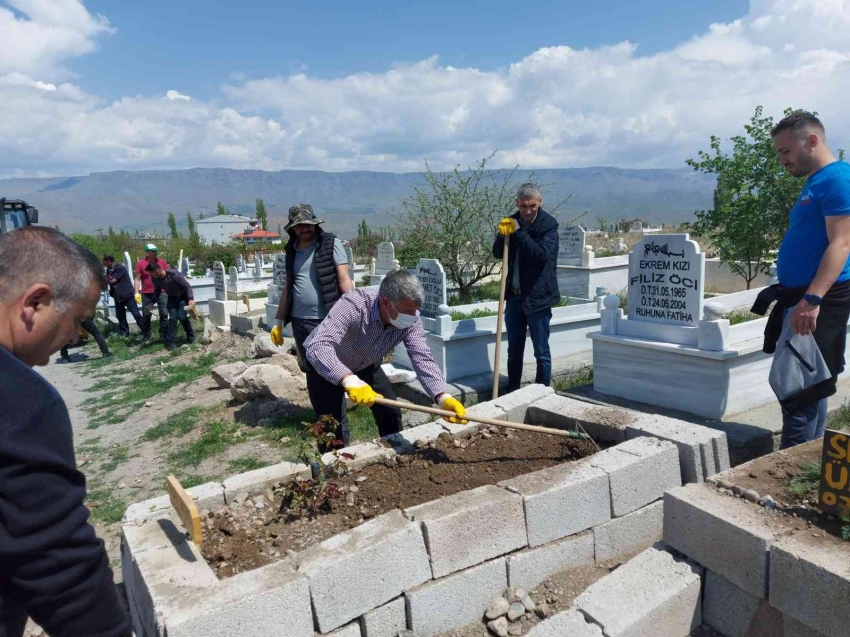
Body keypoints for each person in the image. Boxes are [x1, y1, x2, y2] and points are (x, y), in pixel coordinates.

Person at [0, 227, 131, 636]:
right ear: (35, 302)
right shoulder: (21, 402)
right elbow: (59, 566)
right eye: (78, 320)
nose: (75, 336)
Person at [755, 112, 850, 448]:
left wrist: (812, 300)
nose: (782, 160)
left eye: (785, 151)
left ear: (812, 140)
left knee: (798, 392)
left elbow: (843, 241)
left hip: (817, 300)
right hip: (802, 297)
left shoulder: (837, 179)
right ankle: (807, 465)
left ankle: (785, 477)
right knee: (812, 386)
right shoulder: (816, 181)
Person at [304, 270, 466, 447]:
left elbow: (422, 357)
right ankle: (330, 468)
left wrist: (442, 396)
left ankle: (395, 452)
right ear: (386, 302)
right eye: (407, 311)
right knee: (331, 426)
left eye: (416, 310)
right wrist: (349, 379)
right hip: (326, 365)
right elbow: (319, 346)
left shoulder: (411, 319)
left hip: (366, 364)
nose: (413, 316)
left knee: (390, 411)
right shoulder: (354, 304)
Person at [270, 204, 354, 420]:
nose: (304, 229)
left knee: (330, 368)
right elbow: (288, 286)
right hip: (300, 322)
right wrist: (279, 320)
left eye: (307, 225)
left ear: (314, 224)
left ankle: (337, 421)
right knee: (312, 371)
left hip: (328, 319)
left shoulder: (331, 244)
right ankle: (321, 417)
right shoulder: (291, 249)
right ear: (292, 229)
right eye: (299, 226)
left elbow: (344, 280)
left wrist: (355, 314)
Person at [492, 183, 560, 393]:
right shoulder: (512, 222)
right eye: (523, 206)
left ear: (539, 203)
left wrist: (519, 232)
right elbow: (497, 253)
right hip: (514, 297)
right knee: (514, 348)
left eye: (532, 205)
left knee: (541, 350)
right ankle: (512, 391)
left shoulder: (549, 226)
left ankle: (542, 392)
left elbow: (539, 255)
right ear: (517, 203)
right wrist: (503, 235)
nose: (527, 211)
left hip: (538, 298)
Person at [147, 261, 196, 351]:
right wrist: (151, 303)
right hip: (171, 298)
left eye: (151, 273)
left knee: (182, 317)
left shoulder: (174, 275)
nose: (151, 276)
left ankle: (191, 336)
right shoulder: (155, 279)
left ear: (157, 271)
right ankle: (170, 342)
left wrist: (190, 298)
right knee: (173, 319)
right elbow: (157, 291)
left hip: (183, 298)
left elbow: (187, 286)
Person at [134, 243, 169, 343]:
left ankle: (163, 334)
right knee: (146, 314)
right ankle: (147, 335)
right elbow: (137, 279)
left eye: (156, 251)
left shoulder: (161, 262)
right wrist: (136, 293)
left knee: (164, 313)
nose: (155, 253)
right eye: (153, 251)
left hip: (162, 292)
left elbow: (167, 275)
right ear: (147, 252)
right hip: (147, 293)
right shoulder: (140, 263)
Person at [103, 254, 143, 337]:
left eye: (104, 261)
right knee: (120, 316)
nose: (103, 263)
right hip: (117, 296)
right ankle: (125, 333)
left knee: (136, 314)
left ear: (109, 261)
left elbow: (113, 280)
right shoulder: (109, 270)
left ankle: (145, 330)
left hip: (127, 294)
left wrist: (103, 280)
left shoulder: (119, 267)